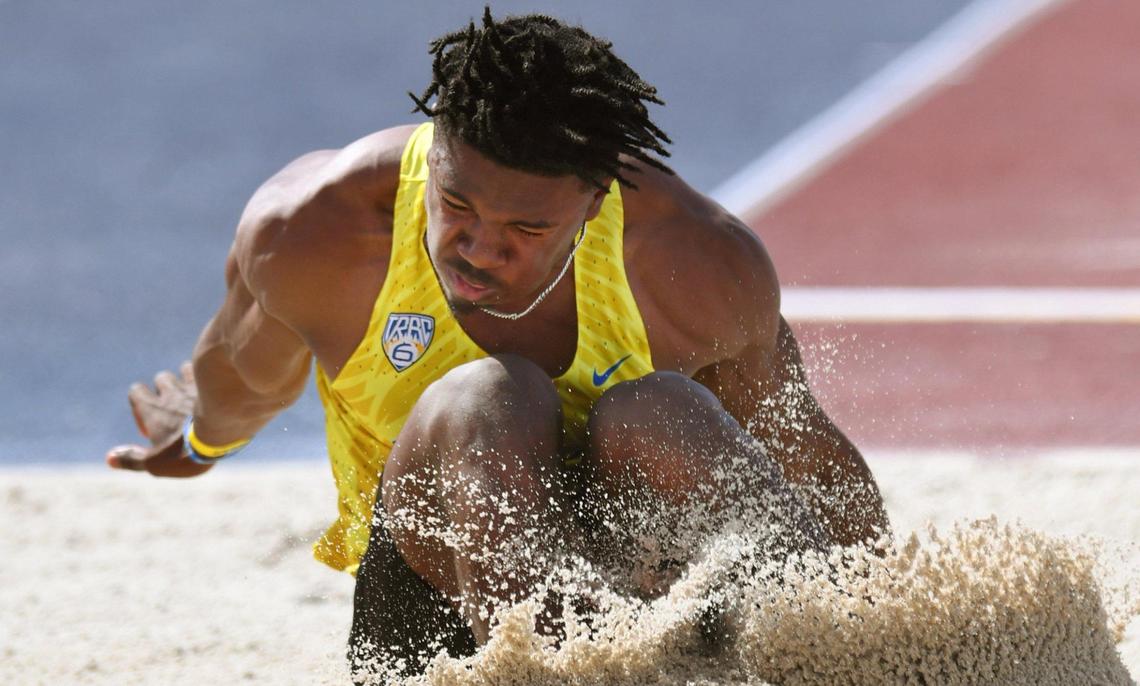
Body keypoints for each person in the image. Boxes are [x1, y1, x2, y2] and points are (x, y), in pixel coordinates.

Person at [106, 8, 890, 678]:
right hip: (434, 627)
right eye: (456, 205)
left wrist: (887, 618)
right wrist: (199, 442)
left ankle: (828, 661)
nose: (478, 249)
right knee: (489, 393)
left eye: (525, 228)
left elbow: (805, 459)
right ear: (436, 149)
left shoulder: (696, 264)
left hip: (644, 598)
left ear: (593, 204)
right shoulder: (316, 232)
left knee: (661, 409)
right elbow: (245, 376)